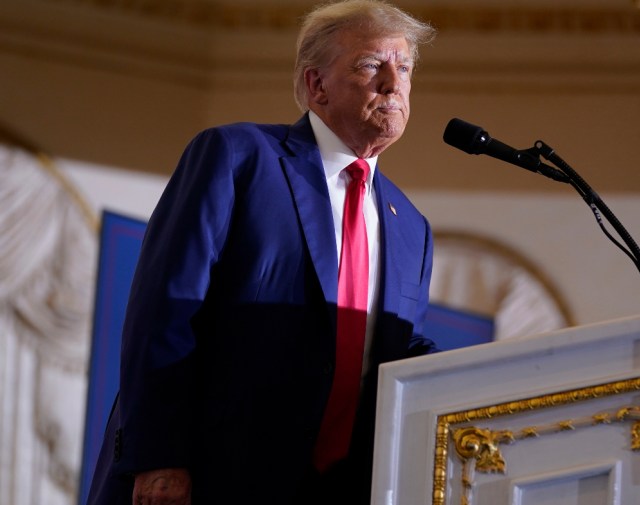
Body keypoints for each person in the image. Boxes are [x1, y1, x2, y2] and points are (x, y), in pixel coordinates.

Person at [86, 1, 438, 503]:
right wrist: (160, 456)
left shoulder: (413, 229)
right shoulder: (239, 158)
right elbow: (165, 311)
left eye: (403, 68)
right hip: (211, 474)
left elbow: (399, 354)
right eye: (370, 65)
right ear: (316, 85)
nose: (393, 82)